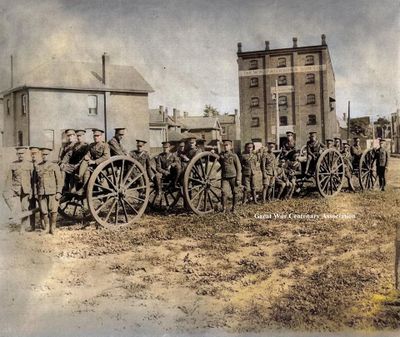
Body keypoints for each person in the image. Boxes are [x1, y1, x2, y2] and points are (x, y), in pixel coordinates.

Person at [2, 147, 33, 230]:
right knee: (5, 195)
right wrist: (7, 189)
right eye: (19, 154)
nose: (21, 155)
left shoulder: (30, 165)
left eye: (22, 153)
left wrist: (32, 191)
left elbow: (33, 179)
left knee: (25, 208)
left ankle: (23, 227)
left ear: (25, 154)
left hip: (26, 189)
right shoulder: (13, 164)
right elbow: (9, 179)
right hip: (15, 188)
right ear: (17, 154)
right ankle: (14, 211)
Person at [35, 148, 63, 234]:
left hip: (52, 191)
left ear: (49, 155)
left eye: (46, 155)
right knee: (44, 211)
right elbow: (35, 181)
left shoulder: (54, 166)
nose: (44, 156)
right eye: (43, 155)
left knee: (53, 210)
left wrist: (58, 192)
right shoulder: (38, 166)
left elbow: (59, 180)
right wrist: (36, 193)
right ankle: (47, 227)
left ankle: (53, 227)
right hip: (42, 192)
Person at [77, 128, 111, 194]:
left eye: (97, 136)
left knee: (91, 170)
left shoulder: (105, 145)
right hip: (93, 165)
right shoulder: (91, 145)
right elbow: (88, 154)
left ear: (101, 136)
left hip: (102, 165)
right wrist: (87, 157)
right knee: (85, 164)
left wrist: (94, 162)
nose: (96, 137)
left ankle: (85, 188)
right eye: (94, 136)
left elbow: (106, 157)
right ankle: (80, 178)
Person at [219, 139, 241, 212]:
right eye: (224, 146)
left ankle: (234, 207)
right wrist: (212, 152)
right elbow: (215, 158)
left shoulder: (234, 156)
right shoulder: (221, 155)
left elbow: (238, 168)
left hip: (233, 177)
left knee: (235, 192)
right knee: (224, 192)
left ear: (230, 147)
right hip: (224, 177)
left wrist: (238, 179)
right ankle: (224, 208)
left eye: (227, 145)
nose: (225, 147)